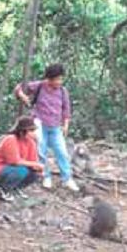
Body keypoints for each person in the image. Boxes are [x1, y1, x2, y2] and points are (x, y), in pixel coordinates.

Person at [14, 63, 79, 192]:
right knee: (41, 151)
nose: (59, 82)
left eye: (61, 79)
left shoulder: (62, 91)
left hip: (55, 126)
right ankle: (45, 176)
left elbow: (66, 109)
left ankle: (67, 179)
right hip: (39, 123)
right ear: (49, 79)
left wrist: (66, 124)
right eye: (57, 79)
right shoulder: (39, 86)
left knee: (62, 152)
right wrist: (22, 95)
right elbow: (19, 87)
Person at [0, 116, 44, 202]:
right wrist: (35, 164)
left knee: (35, 173)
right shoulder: (11, 139)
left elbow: (33, 161)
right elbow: (14, 161)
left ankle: (16, 188)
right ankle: (4, 189)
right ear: (22, 131)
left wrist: (38, 168)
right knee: (22, 170)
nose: (33, 133)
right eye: (31, 130)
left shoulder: (31, 142)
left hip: (15, 169)